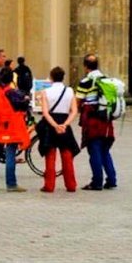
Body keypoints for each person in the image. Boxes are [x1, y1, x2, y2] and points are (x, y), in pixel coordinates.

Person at [34, 66, 79, 194]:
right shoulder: (69, 91)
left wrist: (55, 125)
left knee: (50, 156)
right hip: (64, 122)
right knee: (67, 155)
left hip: (50, 124)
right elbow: (74, 111)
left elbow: (45, 112)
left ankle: (49, 185)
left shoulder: (46, 92)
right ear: (63, 77)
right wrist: (64, 125)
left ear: (51, 77)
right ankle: (71, 185)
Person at [78, 54, 119, 190]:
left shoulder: (86, 82)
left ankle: (97, 182)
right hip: (106, 121)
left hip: (93, 121)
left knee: (94, 151)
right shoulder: (107, 80)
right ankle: (111, 179)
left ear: (85, 66)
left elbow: (78, 101)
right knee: (105, 151)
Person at [0, 71, 29, 192]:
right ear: (11, 80)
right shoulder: (13, 93)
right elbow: (22, 106)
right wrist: (26, 100)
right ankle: (11, 184)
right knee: (10, 155)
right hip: (11, 128)